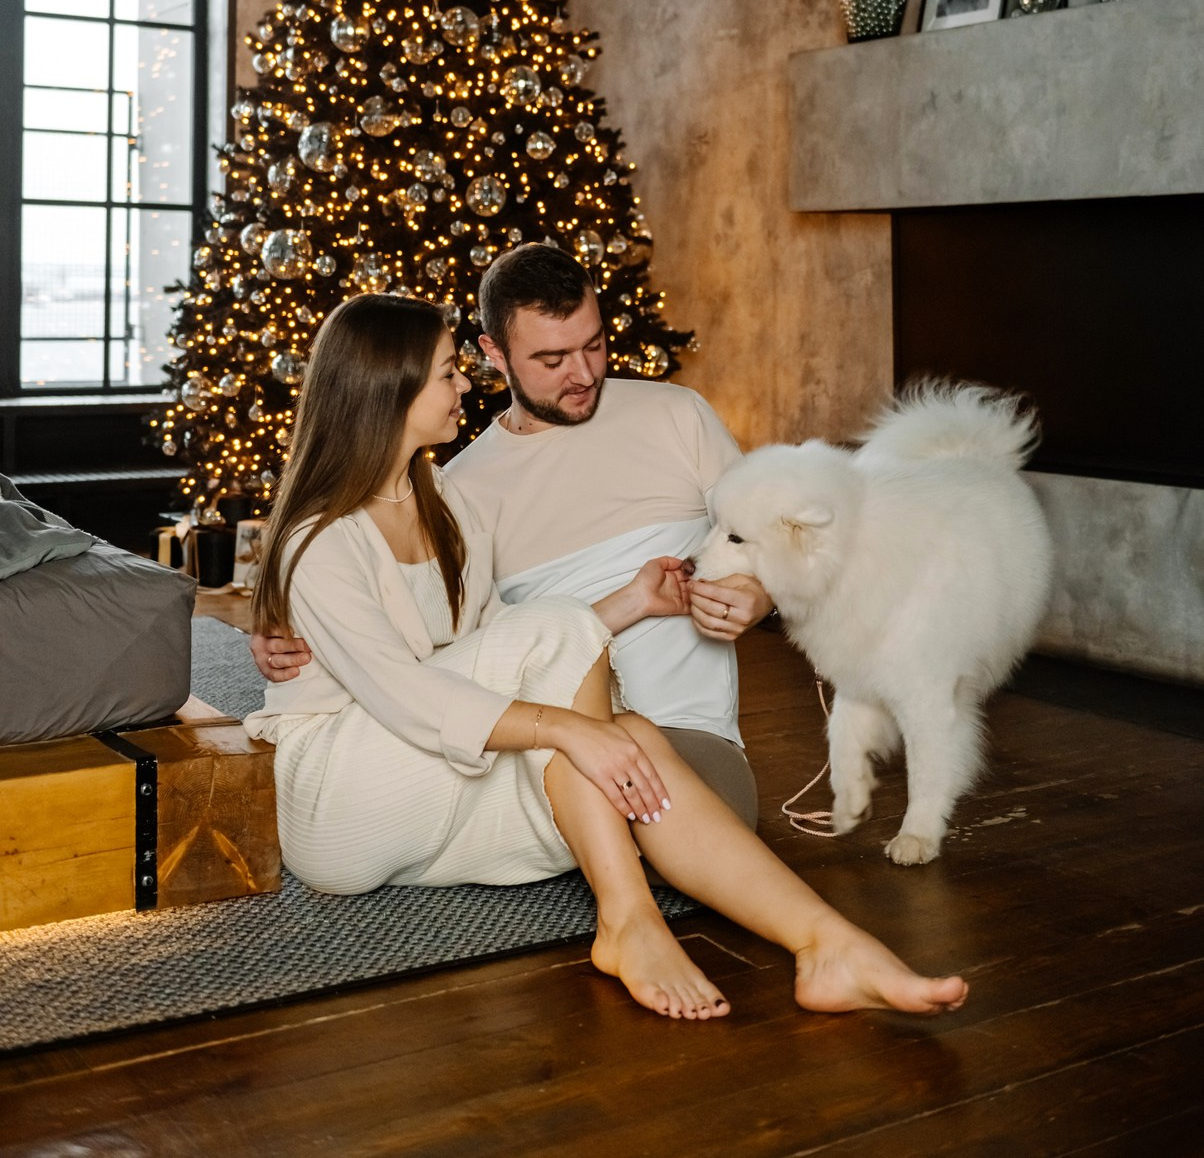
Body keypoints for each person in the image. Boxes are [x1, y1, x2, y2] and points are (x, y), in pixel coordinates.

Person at [245, 291, 968, 1022]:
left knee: (635, 742)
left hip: (424, 778)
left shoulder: (443, 499)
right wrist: (565, 728)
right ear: (387, 390)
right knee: (592, 723)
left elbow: (494, 645)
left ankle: (827, 944)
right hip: (341, 802)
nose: (465, 384)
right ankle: (627, 918)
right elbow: (404, 689)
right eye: (445, 372)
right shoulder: (320, 537)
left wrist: (628, 605)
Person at [254, 245, 773, 824]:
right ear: (494, 353)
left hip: (680, 728)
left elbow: (779, 535)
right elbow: (442, 646)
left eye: (595, 345)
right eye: (552, 359)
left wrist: (763, 590)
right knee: (589, 815)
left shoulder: (678, 415)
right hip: (541, 745)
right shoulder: (458, 488)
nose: (583, 374)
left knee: (705, 815)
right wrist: (297, 630)